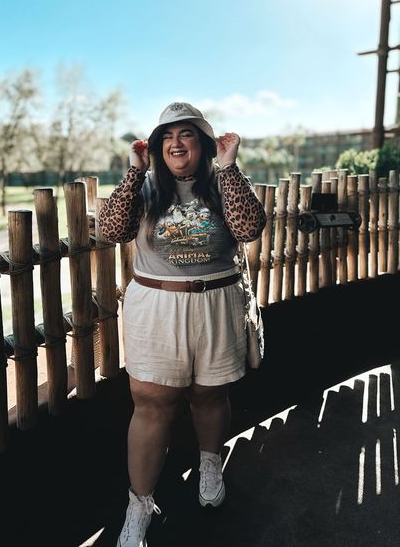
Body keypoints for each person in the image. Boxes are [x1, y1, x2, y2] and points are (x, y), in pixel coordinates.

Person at [99, 102, 266, 547]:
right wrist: (135, 171)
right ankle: (140, 504)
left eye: (187, 133)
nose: (176, 142)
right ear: (157, 146)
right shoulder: (148, 187)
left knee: (210, 395)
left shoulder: (223, 184)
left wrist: (229, 168)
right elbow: (111, 229)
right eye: (167, 135)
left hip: (218, 301)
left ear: (204, 144)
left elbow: (250, 228)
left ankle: (210, 466)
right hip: (157, 305)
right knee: (152, 404)